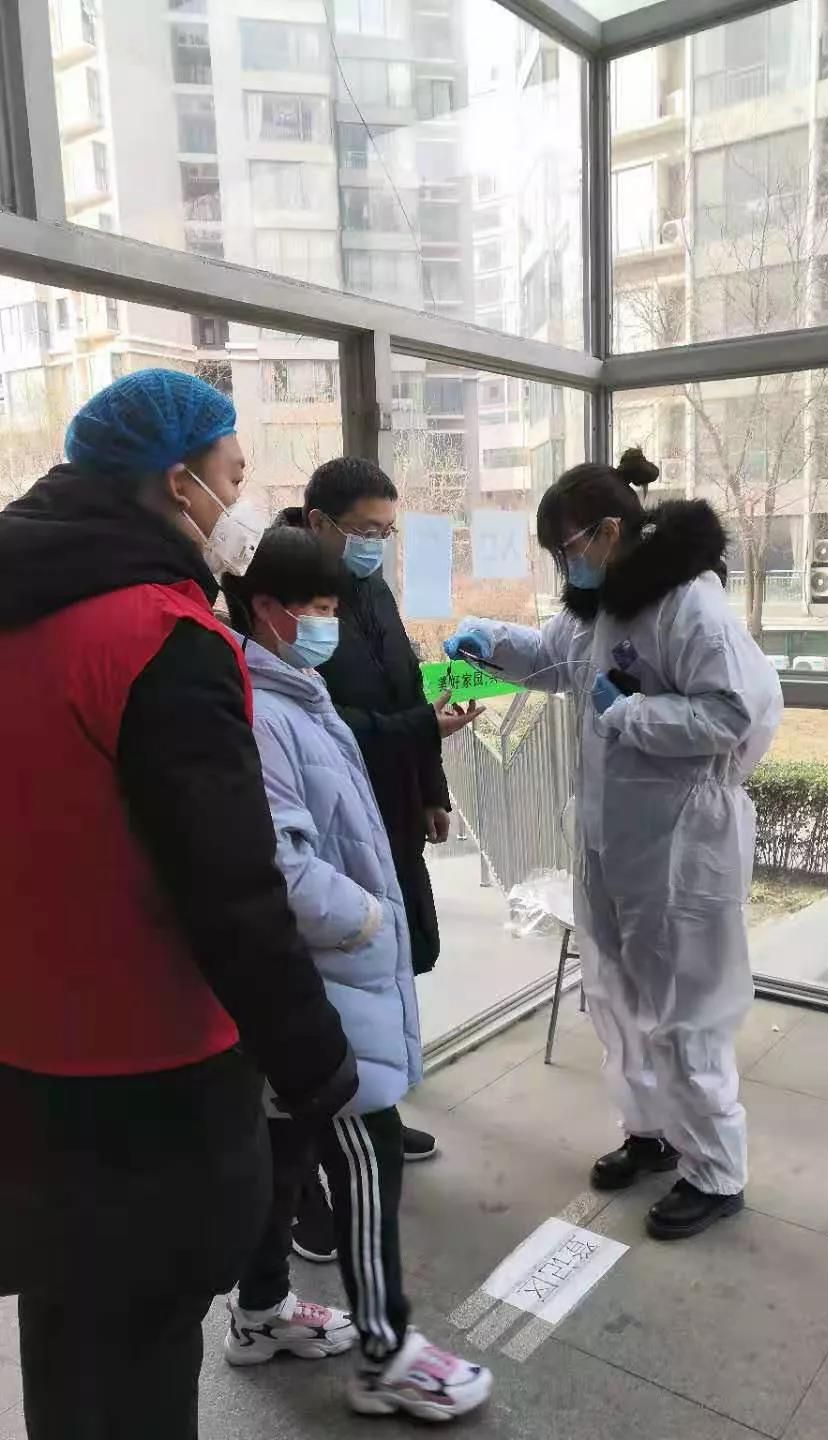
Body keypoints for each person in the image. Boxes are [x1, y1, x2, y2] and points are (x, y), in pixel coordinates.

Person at [0, 370, 358, 1440]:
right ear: (177, 481)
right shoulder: (161, 639)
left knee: (65, 1325)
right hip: (151, 1079)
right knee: (147, 1348)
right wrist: (315, 1059)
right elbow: (232, 889)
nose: (241, 502)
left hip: (21, 1058)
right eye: (234, 478)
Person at [444, 450, 783, 1242]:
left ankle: (715, 1170)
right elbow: (553, 662)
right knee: (617, 993)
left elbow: (738, 714)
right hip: (612, 834)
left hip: (683, 841)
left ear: (606, 531)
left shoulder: (688, 606)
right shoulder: (597, 609)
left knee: (686, 1006)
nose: (566, 564)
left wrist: (629, 714)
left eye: (567, 547)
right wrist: (489, 643)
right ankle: (651, 1131)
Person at [221, 527, 493, 1421]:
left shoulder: (300, 695)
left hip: (322, 977)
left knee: (287, 1150)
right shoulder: (261, 714)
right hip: (321, 979)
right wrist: (371, 918)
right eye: (320, 608)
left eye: (337, 608)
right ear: (269, 610)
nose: (329, 623)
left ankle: (259, 1312)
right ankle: (385, 1354)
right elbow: (283, 867)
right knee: (368, 1149)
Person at [275, 457, 481, 1260]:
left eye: (387, 533)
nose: (377, 547)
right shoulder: (288, 603)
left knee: (392, 968)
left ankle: (377, 1108)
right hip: (330, 829)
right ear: (319, 522)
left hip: (389, 813)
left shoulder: (373, 591)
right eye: (366, 531)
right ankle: (307, 1189)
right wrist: (420, 730)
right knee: (327, 994)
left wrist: (431, 786)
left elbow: (404, 695)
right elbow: (332, 728)